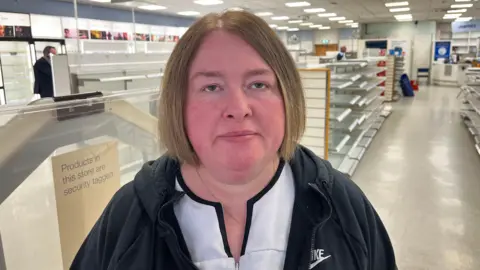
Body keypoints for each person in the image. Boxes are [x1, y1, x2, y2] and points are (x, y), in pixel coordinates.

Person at [71, 11, 396, 270]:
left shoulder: (343, 206)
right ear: (178, 105)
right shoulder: (127, 218)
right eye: (211, 87)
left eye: (258, 84)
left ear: (287, 98)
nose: (238, 109)